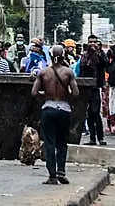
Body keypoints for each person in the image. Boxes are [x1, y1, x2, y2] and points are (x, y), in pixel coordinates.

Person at [31, 45, 79, 185]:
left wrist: (45, 95)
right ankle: (61, 172)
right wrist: (65, 95)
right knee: (62, 143)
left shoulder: (43, 73)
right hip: (64, 110)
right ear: (63, 56)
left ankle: (52, 176)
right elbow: (75, 93)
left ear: (50, 56)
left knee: (49, 143)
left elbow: (34, 93)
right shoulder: (68, 72)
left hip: (48, 109)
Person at [81, 35, 107, 146]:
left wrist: (97, 52)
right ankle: (92, 138)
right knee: (89, 114)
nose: (92, 44)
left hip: (96, 88)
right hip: (86, 88)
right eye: (90, 42)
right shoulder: (84, 55)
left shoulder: (101, 54)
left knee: (96, 113)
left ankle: (100, 138)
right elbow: (82, 69)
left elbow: (105, 64)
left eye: (94, 42)